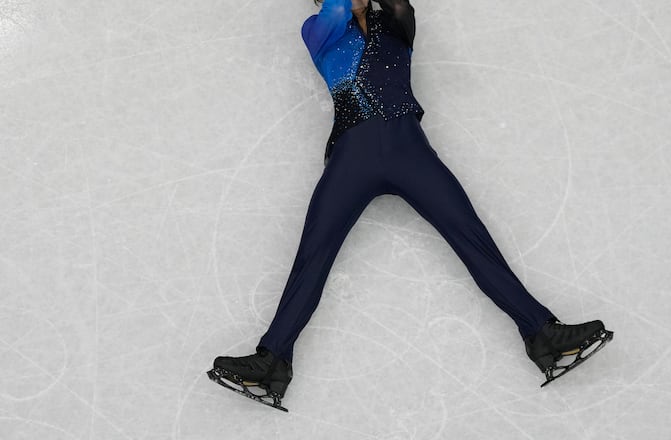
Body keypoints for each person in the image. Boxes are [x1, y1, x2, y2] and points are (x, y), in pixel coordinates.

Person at [206, 0, 613, 412]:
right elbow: (333, 14)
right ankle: (271, 359)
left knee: (472, 238)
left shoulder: (397, 22)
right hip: (354, 155)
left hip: (409, 150)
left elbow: (401, 6)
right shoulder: (317, 29)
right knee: (312, 256)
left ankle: (543, 334)